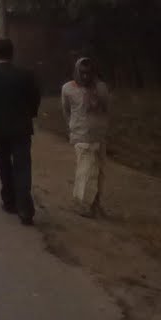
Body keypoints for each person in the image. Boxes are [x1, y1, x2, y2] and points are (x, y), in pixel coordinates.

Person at [0, 38, 42, 225]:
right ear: (12, 53)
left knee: (4, 165)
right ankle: (25, 208)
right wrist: (31, 114)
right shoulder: (25, 74)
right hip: (21, 128)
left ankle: (9, 201)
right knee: (22, 166)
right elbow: (35, 97)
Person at [61, 58, 110, 217]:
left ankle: (96, 203)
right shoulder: (68, 89)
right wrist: (72, 127)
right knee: (85, 169)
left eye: (88, 73)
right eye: (81, 72)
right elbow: (66, 110)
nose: (84, 76)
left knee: (100, 172)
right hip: (81, 135)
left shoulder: (101, 87)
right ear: (76, 71)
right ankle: (81, 203)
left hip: (99, 135)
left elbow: (107, 108)